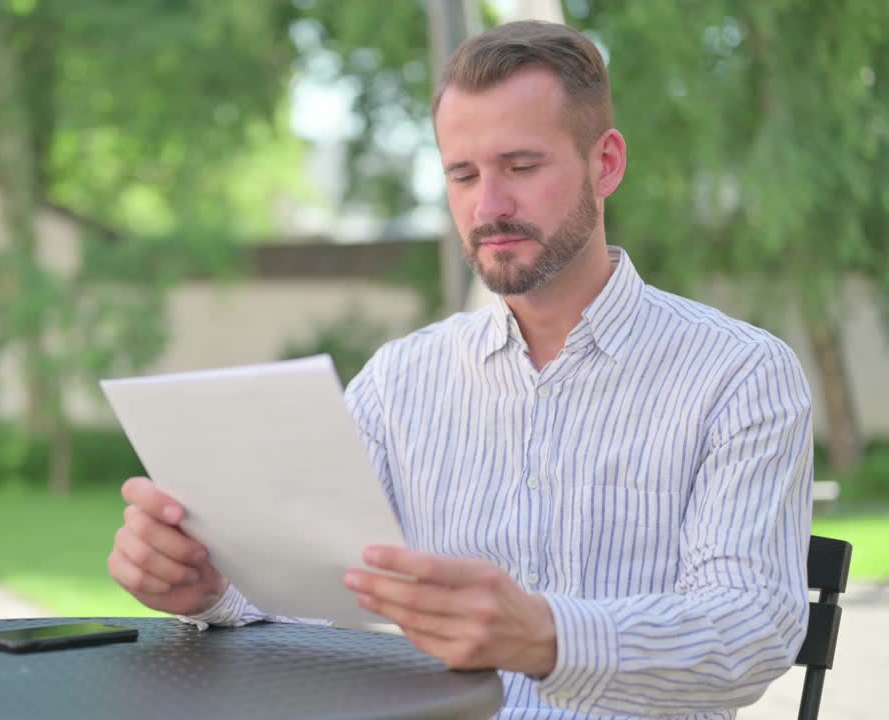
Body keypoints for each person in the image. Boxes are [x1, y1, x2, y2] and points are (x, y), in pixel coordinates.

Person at [108, 20, 812, 719]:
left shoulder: (739, 375)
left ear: (606, 164)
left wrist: (547, 636)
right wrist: (207, 588)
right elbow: (323, 590)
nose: (489, 206)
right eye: (463, 174)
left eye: (522, 167)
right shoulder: (398, 382)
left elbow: (749, 631)